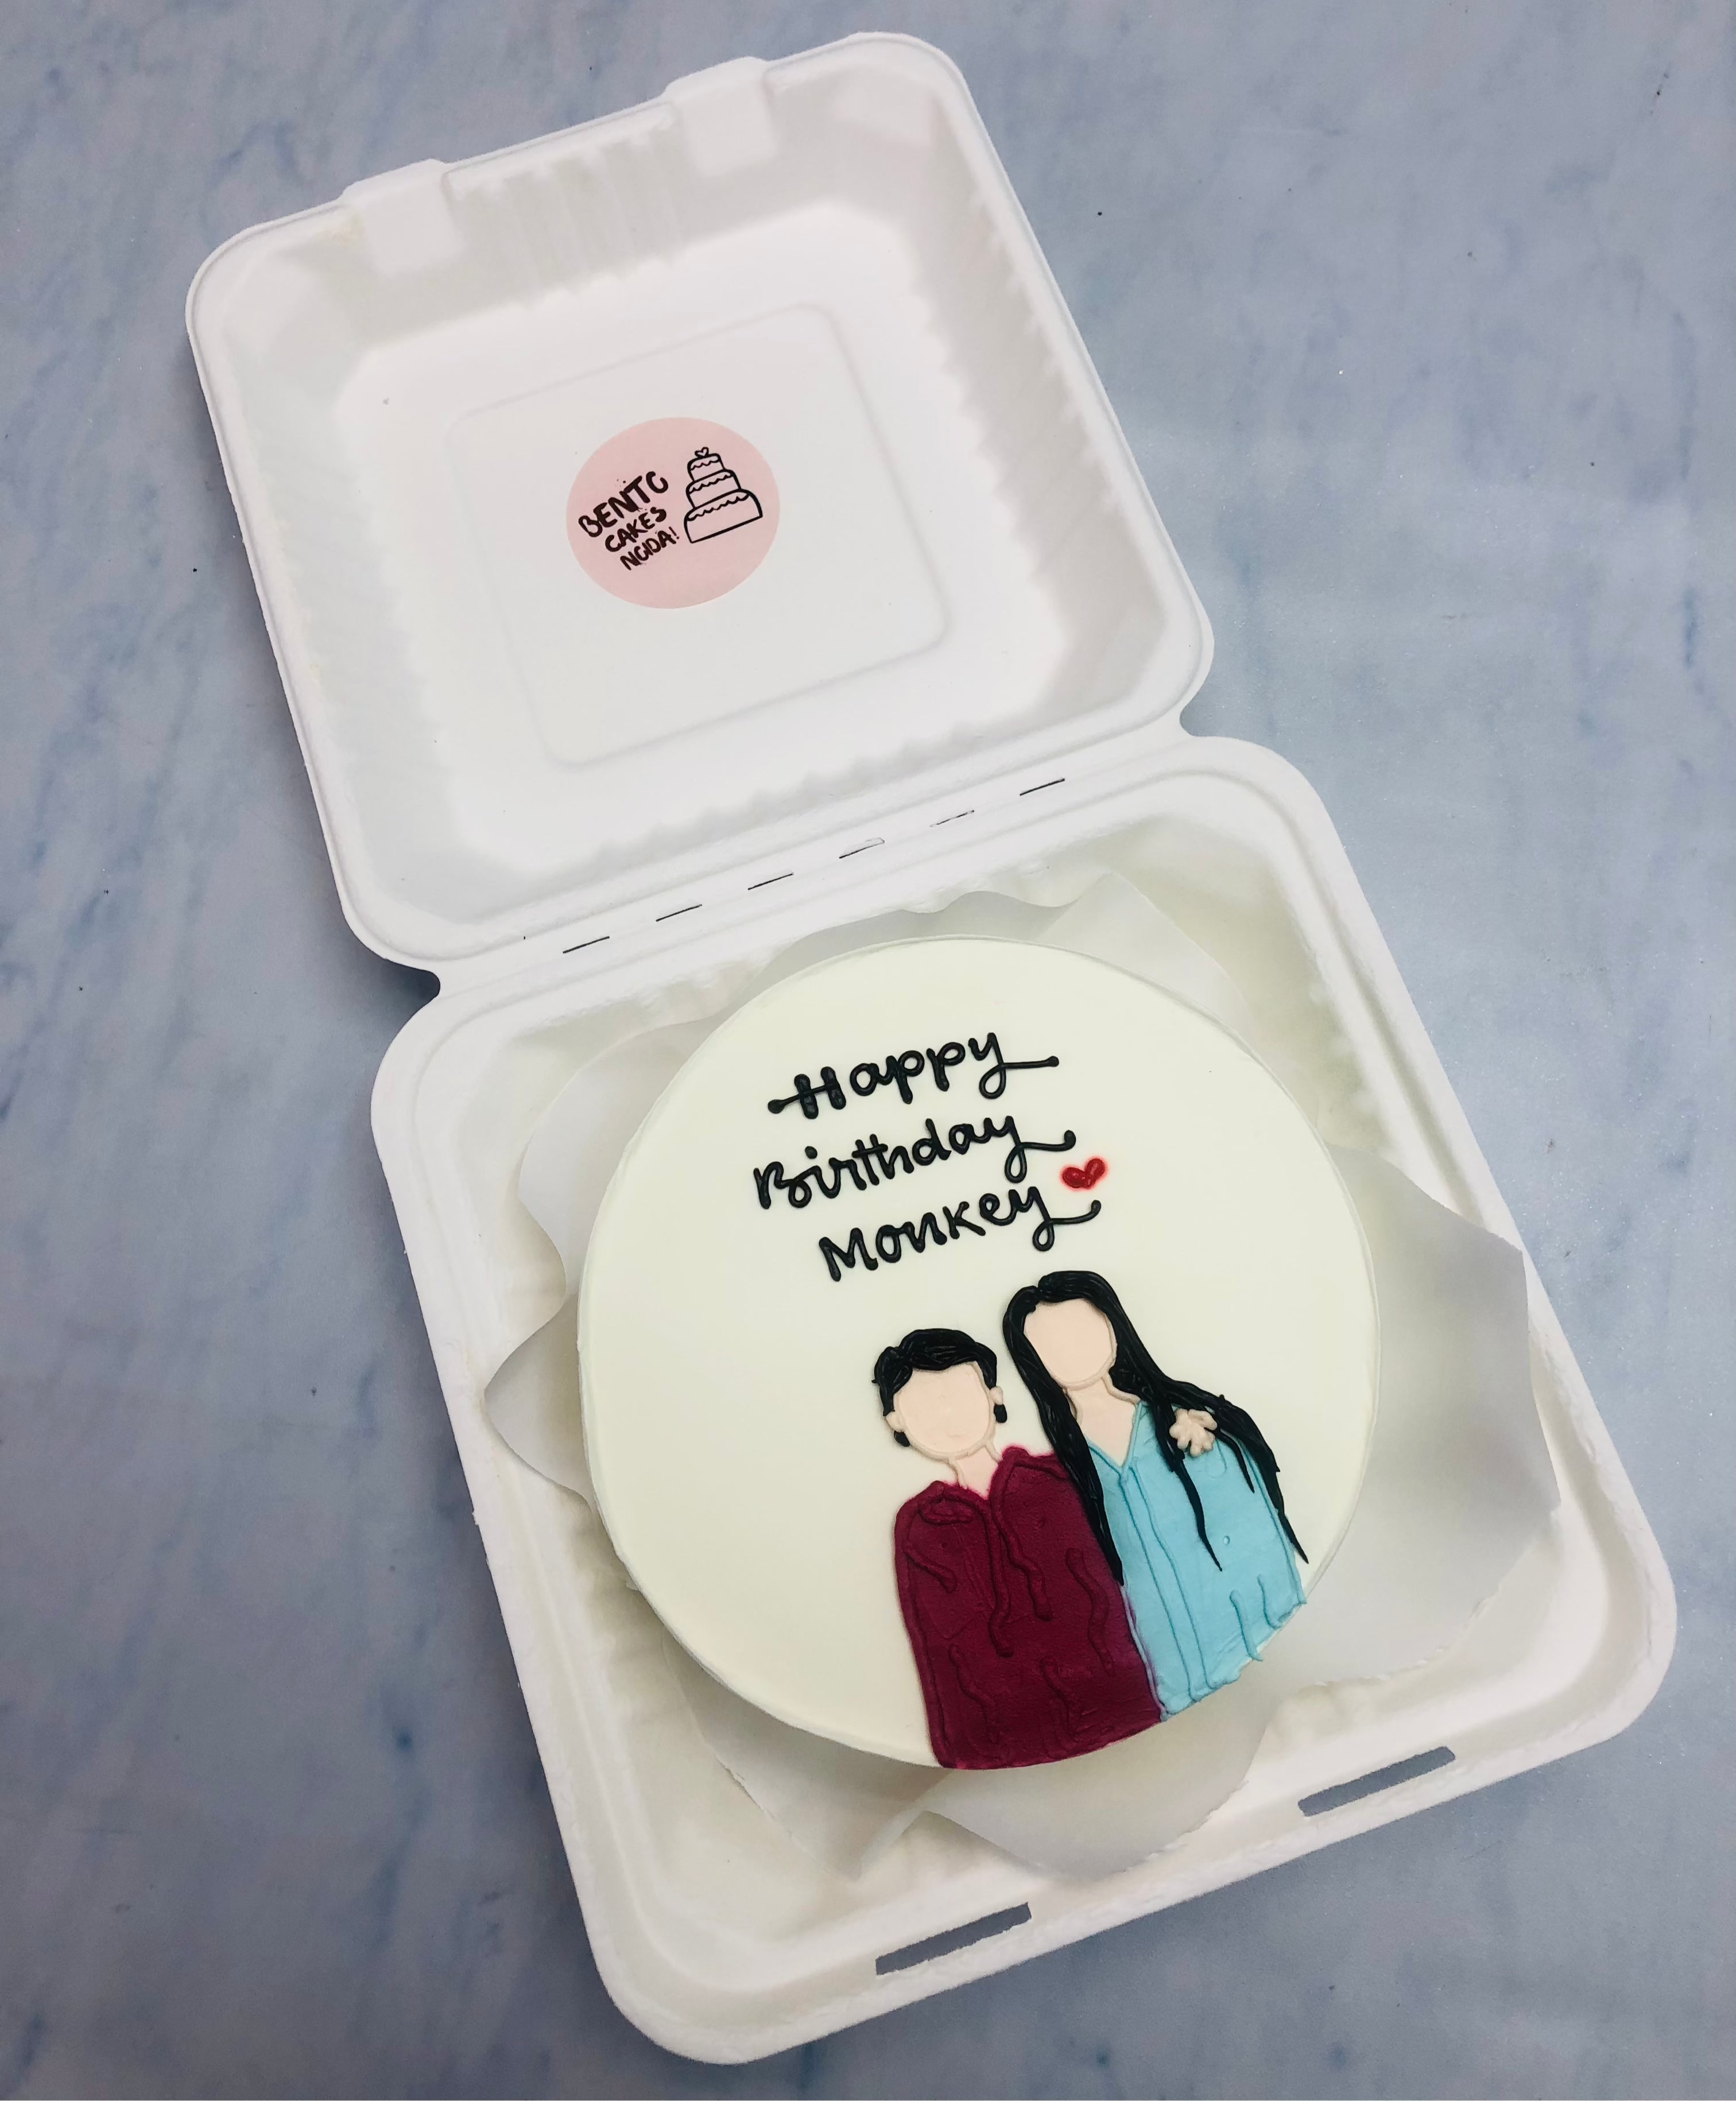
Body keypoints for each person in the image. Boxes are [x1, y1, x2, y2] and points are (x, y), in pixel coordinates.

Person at [1002, 1272, 1306, 1716]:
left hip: (1245, 1651)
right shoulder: (1059, 1471)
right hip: (1151, 1669)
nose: (1072, 1350)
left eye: (1084, 1330)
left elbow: (1250, 1530)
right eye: (1050, 1345)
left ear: (1112, 1327)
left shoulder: (1187, 1423)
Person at [874, 1327, 1161, 1769]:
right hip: (1004, 1738)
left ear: (994, 1394)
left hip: (1118, 1706)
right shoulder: (922, 1527)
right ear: (898, 1422)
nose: (948, 1415)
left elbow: (1114, 1589)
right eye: (925, 1406)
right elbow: (939, 1655)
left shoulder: (1054, 1480)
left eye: (958, 1393)